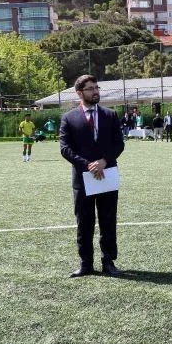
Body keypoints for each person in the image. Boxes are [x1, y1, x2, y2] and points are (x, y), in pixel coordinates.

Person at [60, 74, 125, 277]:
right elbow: (65, 148)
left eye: (97, 87)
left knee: (108, 220)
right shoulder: (69, 118)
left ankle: (109, 262)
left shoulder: (110, 115)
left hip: (107, 175)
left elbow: (119, 144)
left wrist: (104, 161)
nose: (95, 91)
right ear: (80, 93)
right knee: (84, 222)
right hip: (83, 179)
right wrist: (88, 165)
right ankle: (86, 263)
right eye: (90, 88)